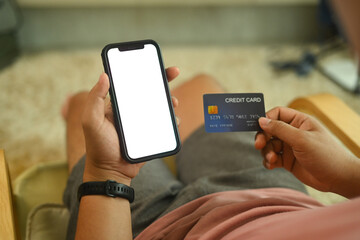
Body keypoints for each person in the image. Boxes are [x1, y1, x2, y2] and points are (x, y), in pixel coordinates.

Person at [62, 68, 360, 240]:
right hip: (276, 198)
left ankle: (70, 109)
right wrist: (347, 176)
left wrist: (108, 172)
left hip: (159, 230)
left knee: (83, 109)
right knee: (200, 87)